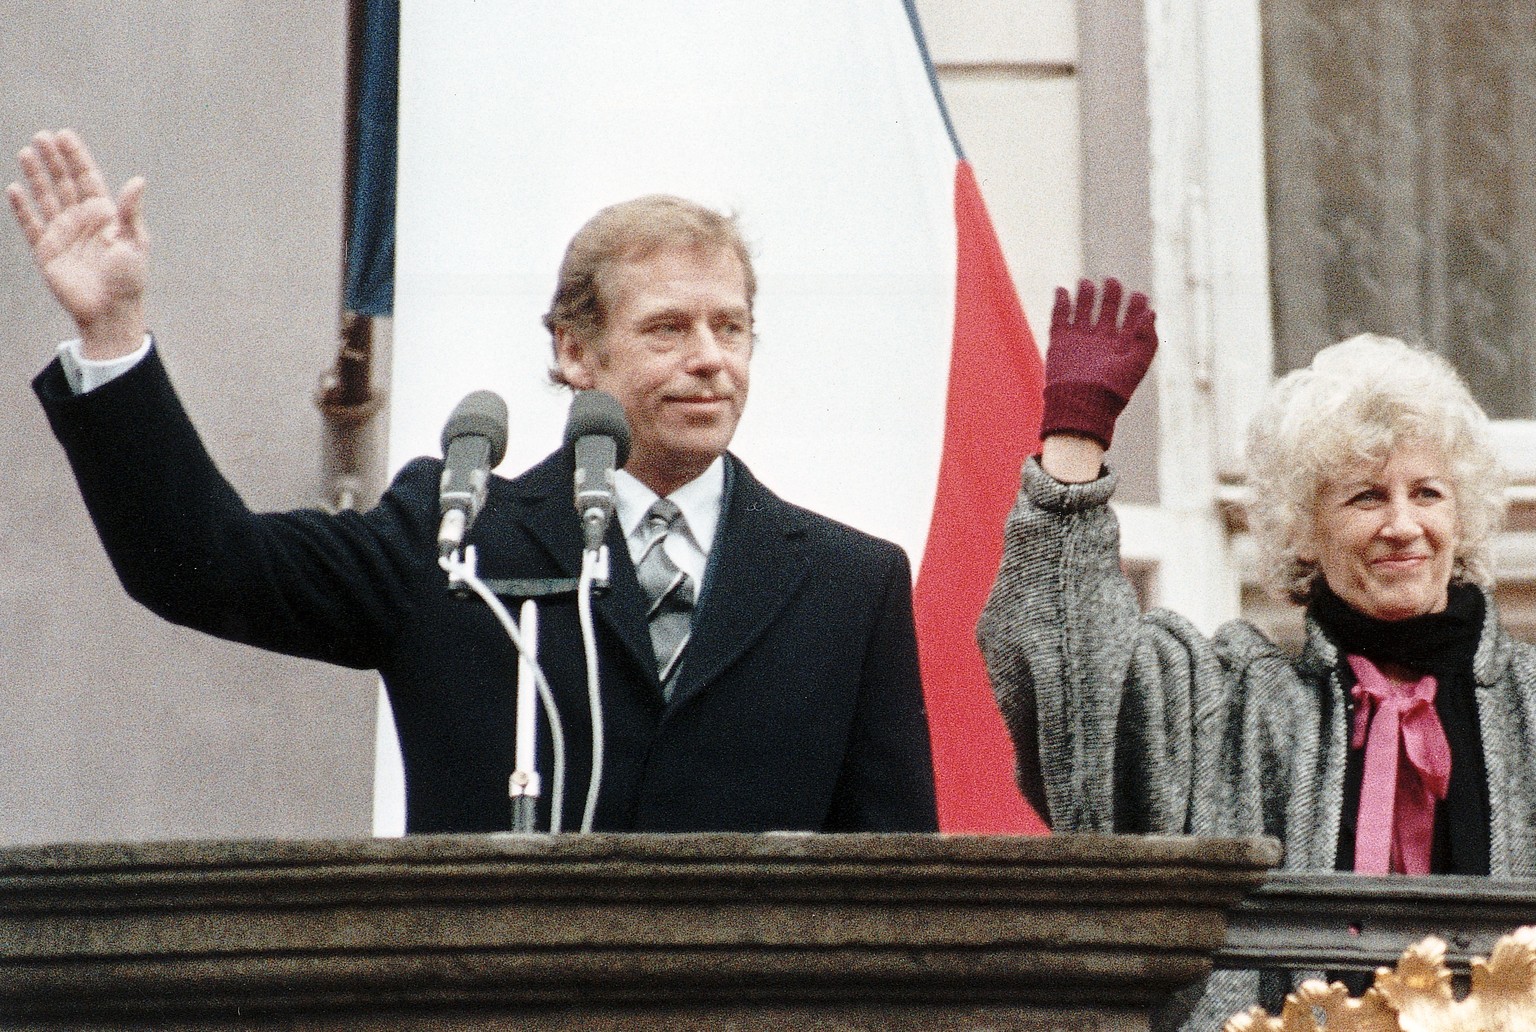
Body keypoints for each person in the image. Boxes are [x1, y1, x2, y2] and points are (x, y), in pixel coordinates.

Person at [9, 128, 938, 835]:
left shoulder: (848, 587)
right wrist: (114, 335)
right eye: (668, 329)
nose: (709, 361)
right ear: (575, 352)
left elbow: (897, 902)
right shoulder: (454, 535)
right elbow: (207, 563)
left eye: (729, 328)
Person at [977, 278, 1536, 1029]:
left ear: (1462, 513)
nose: (1403, 524)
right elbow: (1083, 693)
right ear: (1304, 528)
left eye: (1428, 494)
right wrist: (1074, 447)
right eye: (1366, 497)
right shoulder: (1232, 699)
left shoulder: (1529, 705)